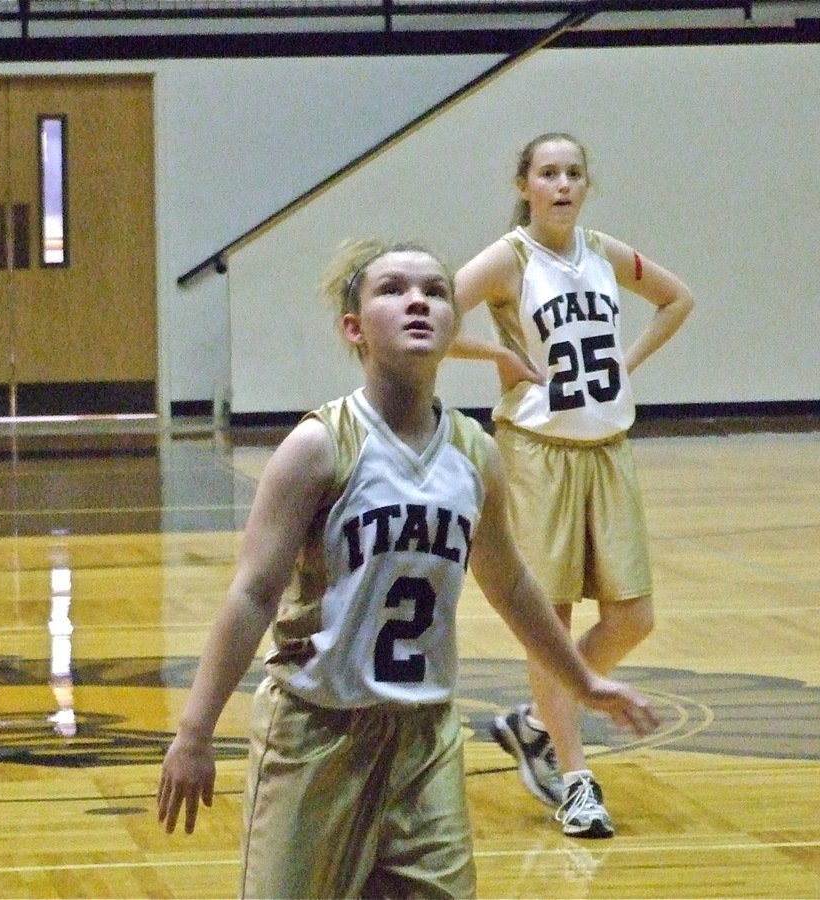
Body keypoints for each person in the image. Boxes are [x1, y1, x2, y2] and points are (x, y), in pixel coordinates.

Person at [157, 238, 659, 898]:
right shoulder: (318, 447)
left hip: (426, 741)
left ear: (454, 325)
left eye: (435, 290)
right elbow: (252, 594)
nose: (417, 300)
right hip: (318, 732)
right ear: (354, 328)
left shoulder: (474, 452)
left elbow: (510, 583)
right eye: (392, 289)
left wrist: (582, 681)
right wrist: (194, 733)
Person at [449, 132, 694, 839]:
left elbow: (677, 299)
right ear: (524, 185)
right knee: (548, 622)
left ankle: (533, 723)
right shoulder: (509, 258)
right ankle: (575, 775)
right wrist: (494, 350)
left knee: (634, 616)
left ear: (587, 185)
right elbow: (437, 316)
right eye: (548, 174)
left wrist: (628, 362)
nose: (562, 185)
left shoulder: (605, 251)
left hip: (608, 447)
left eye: (574, 173)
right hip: (536, 450)